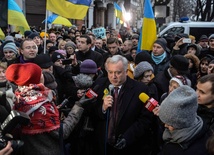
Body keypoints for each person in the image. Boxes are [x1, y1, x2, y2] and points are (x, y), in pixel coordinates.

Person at [5, 63, 93, 155]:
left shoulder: (19, 97)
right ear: (36, 79)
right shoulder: (42, 106)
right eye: (41, 73)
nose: (43, 75)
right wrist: (78, 107)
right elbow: (63, 133)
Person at [93, 55, 158, 155]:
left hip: (129, 146)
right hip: (103, 146)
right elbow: (91, 111)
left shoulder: (140, 90)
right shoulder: (100, 85)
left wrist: (128, 137)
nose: (113, 76)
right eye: (110, 72)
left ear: (126, 72)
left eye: (118, 72)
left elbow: (145, 119)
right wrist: (103, 108)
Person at [158, 85, 209, 155]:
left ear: (182, 123)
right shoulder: (198, 125)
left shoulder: (189, 150)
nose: (165, 125)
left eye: (170, 124)